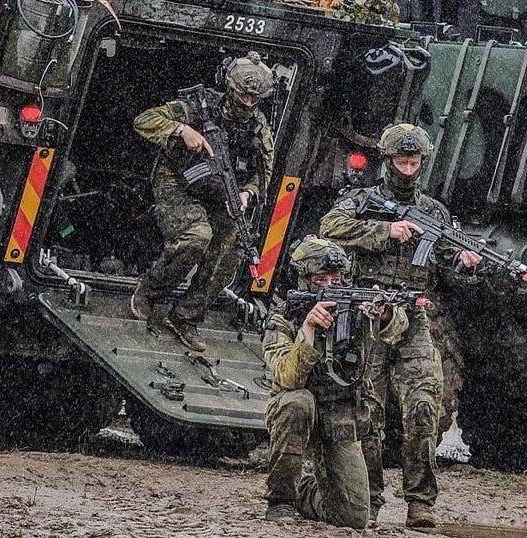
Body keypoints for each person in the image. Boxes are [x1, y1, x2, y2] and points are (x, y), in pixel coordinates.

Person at [319, 123, 481, 528]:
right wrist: (385, 231)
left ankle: (420, 502)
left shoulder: (434, 212)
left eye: (413, 163)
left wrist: (466, 264)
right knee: (367, 413)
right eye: (401, 162)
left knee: (425, 404)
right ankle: (370, 498)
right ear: (387, 161)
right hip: (369, 313)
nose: (407, 170)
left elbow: (448, 259)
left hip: (413, 315)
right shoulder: (361, 200)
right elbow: (329, 228)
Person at [129, 51, 275, 352]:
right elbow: (144, 121)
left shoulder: (258, 128)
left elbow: (264, 172)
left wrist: (247, 193)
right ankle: (150, 291)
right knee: (197, 236)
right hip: (177, 182)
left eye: (254, 99)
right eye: (243, 96)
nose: (248, 103)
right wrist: (181, 130)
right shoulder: (198, 106)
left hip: (219, 192)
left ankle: (186, 317)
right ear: (230, 87)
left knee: (232, 251)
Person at [262, 235, 409, 528]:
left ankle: (306, 491)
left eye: (336, 279)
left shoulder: (355, 309)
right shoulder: (283, 319)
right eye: (321, 280)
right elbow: (287, 377)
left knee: (353, 518)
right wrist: (308, 329)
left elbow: (399, 329)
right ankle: (281, 500)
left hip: (340, 413)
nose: (330, 286)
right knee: (296, 403)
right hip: (300, 411)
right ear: (303, 280)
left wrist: (384, 314)